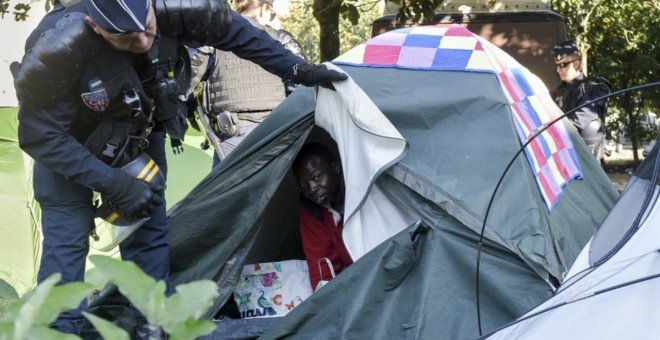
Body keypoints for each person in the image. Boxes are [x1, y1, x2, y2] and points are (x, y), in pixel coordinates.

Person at [12, 0, 347, 336]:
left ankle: (156, 324)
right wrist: (113, 183)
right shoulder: (58, 44)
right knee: (66, 241)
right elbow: (38, 135)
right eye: (126, 38)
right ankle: (57, 331)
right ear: (96, 27)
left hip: (136, 132)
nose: (142, 42)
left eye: (146, 27)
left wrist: (296, 69)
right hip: (68, 145)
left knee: (149, 226)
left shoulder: (175, 8)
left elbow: (236, 32)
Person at [189, 0, 306, 166]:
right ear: (264, 9)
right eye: (272, 14)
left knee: (228, 191)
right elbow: (302, 91)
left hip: (231, 139)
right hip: (276, 135)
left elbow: (184, 85)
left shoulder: (211, 40)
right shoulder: (282, 40)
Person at [292, 143, 353, 291]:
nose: (312, 189)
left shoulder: (361, 190)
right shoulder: (313, 209)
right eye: (304, 185)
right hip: (356, 275)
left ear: (336, 168)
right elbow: (321, 266)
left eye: (317, 177)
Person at [550, 39, 611, 160]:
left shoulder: (594, 87)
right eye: (557, 65)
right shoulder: (557, 92)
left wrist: (556, 130)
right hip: (563, 152)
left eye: (563, 65)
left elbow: (584, 116)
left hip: (586, 155)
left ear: (576, 64)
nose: (558, 70)